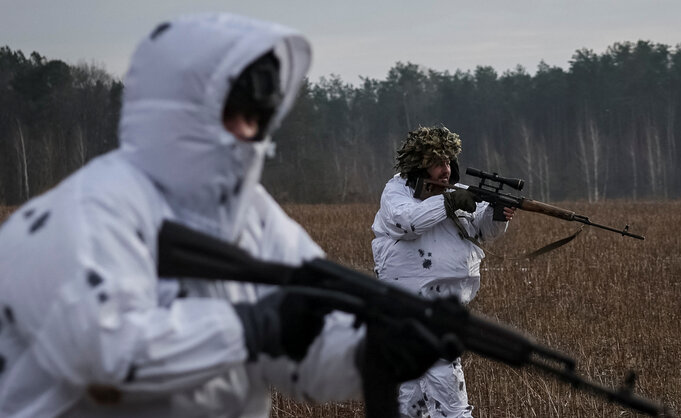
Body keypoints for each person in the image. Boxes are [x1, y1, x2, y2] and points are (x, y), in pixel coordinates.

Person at [0, 13, 439, 417]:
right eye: (231, 113)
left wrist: (365, 351)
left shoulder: (254, 217)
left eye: (256, 117)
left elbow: (302, 362)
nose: (247, 133)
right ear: (175, 109)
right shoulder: (87, 212)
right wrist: (248, 327)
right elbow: (103, 357)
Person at [371, 126, 516, 418]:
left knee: (410, 403)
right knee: (452, 406)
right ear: (418, 165)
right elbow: (407, 222)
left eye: (448, 162)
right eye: (437, 163)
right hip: (412, 311)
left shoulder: (456, 194)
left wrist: (497, 215)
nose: (445, 170)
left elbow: (481, 230)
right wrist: (448, 201)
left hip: (443, 311)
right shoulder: (397, 191)